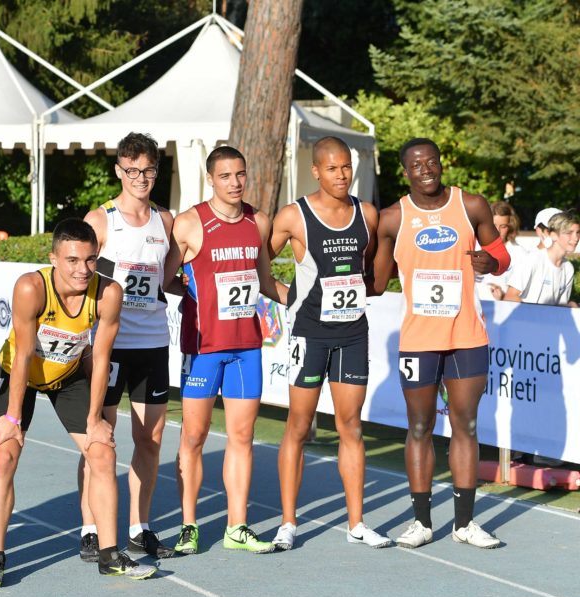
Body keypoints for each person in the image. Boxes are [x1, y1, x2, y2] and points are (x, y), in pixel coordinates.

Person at [0, 218, 156, 587]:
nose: (82, 270)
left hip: (69, 375)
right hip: (23, 376)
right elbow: (23, 355)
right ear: (53, 259)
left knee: (102, 452)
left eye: (90, 260)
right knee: (5, 454)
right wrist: (12, 418)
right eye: (72, 260)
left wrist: (95, 419)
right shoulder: (31, 288)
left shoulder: (108, 293)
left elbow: (102, 359)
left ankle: (109, 555)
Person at [370, 137, 510, 550]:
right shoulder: (392, 218)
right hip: (418, 339)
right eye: (416, 165)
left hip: (466, 334)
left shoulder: (472, 205)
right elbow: (377, 281)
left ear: (441, 164)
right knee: (420, 426)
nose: (425, 170)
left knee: (466, 424)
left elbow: (501, 257)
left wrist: (492, 263)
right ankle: (421, 522)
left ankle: (464, 524)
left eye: (431, 162)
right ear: (405, 172)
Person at [268, 137, 392, 550]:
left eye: (346, 167)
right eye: (332, 168)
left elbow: (369, 268)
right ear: (316, 171)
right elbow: (258, 263)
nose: (341, 175)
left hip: (353, 333)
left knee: (351, 426)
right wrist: (286, 295)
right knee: (299, 426)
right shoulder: (294, 216)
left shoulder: (366, 213)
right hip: (310, 334)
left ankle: (357, 524)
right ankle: (288, 522)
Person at [164, 145, 287, 556]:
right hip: (204, 348)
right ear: (210, 179)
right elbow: (166, 279)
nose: (235, 183)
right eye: (225, 176)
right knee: (194, 436)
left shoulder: (259, 222)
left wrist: (303, 300)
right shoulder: (189, 224)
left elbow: (265, 282)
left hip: (246, 347)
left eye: (240, 174)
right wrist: (196, 294)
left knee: (242, 436)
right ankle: (188, 525)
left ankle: (237, 526)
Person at [76, 132, 175, 561]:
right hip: (108, 346)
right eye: (132, 170)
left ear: (156, 171)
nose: (140, 178)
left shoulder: (165, 221)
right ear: (119, 170)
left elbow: (167, 278)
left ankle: (139, 526)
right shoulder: (101, 220)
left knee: (149, 440)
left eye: (148, 170)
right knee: (100, 438)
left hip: (152, 343)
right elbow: (75, 276)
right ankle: (91, 528)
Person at [501, 211, 578, 307]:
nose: (576, 238)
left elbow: (561, 307)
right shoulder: (533, 259)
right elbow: (510, 297)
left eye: (578, 232)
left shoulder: (568, 268)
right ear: (553, 235)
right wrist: (536, 313)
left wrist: (572, 306)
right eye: (569, 233)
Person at [480, 201, 527, 300]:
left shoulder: (520, 254)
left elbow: (524, 295)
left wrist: (503, 298)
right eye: (493, 225)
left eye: (503, 226)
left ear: (511, 227)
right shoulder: (475, 247)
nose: (497, 231)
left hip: (503, 308)